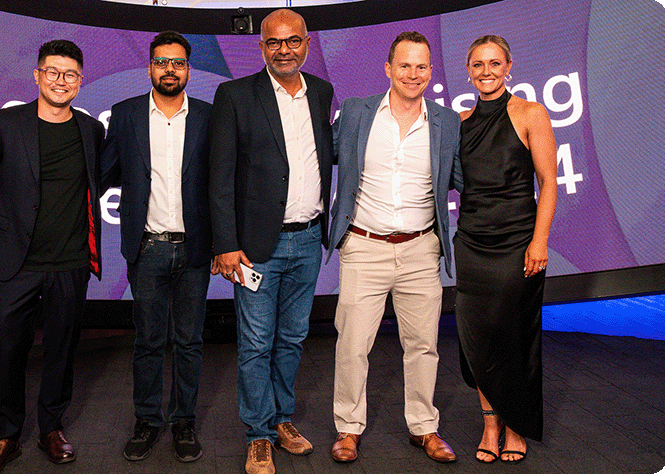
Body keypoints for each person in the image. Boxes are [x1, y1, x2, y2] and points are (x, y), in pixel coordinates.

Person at [0, 39, 104, 474]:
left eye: (70, 74)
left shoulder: (91, 130)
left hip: (70, 263)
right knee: (8, 350)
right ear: (37, 75)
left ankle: (51, 428)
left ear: (80, 83)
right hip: (14, 262)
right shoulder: (6, 122)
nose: (60, 81)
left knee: (62, 351)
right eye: (52, 72)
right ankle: (6, 434)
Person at [208, 8, 333, 474]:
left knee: (293, 339)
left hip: (306, 243)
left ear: (306, 43)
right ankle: (257, 434)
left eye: (293, 41)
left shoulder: (321, 93)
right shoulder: (235, 95)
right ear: (262, 47)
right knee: (257, 342)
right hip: (255, 247)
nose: (284, 49)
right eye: (274, 42)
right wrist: (226, 243)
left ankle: (281, 420)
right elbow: (218, 178)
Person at [328, 31, 462, 464]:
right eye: (404, 65)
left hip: (422, 250)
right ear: (388, 69)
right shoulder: (355, 112)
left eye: (422, 66)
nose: (414, 74)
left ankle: (424, 427)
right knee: (352, 344)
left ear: (430, 71)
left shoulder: (446, 121)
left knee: (424, 344)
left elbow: (464, 179)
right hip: (364, 247)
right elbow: (314, 156)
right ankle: (348, 429)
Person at [99, 31, 212, 463]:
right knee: (147, 341)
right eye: (162, 62)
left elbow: (219, 184)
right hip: (146, 250)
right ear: (150, 67)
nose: (170, 69)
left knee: (189, 341)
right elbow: (103, 172)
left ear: (188, 70)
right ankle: (147, 420)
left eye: (178, 63)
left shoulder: (207, 115)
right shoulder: (125, 114)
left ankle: (184, 422)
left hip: (195, 251)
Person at [455, 34, 557, 464]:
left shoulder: (531, 112)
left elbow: (548, 183)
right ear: (468, 70)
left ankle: (514, 426)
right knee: (478, 340)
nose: (486, 72)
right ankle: (490, 424)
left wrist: (539, 241)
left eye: (494, 63)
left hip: (518, 243)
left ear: (509, 66)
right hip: (472, 244)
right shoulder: (458, 121)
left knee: (514, 336)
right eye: (478, 64)